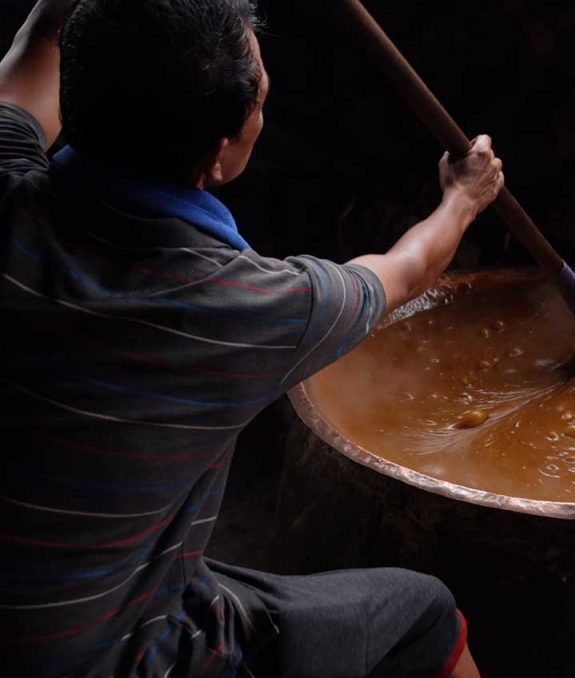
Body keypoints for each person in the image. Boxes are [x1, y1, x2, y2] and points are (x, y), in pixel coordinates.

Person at [0, 0, 503, 675]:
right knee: (429, 616)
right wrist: (464, 199)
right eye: (260, 98)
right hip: (98, 653)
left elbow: (38, 38)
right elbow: (405, 271)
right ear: (219, 154)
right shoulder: (247, 309)